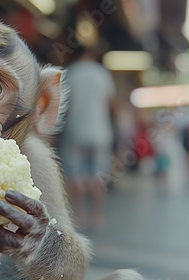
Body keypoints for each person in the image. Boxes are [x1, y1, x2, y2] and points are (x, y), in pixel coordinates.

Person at [59, 47, 116, 232]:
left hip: (75, 132)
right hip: (100, 133)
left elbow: (62, 105)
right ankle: (96, 215)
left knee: (75, 176)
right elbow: (110, 103)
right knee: (98, 176)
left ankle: (78, 216)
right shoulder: (102, 73)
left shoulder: (71, 73)